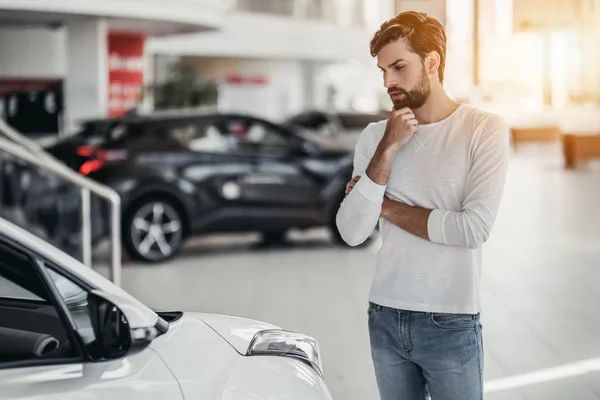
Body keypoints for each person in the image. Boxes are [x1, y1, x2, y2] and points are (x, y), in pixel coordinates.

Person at [336, 11, 509, 400]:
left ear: (431, 62)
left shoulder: (483, 129)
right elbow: (350, 232)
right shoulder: (375, 136)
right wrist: (388, 147)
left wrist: (383, 205)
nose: (388, 82)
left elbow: (471, 230)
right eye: (382, 71)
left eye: (399, 67)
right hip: (383, 314)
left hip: (451, 319)